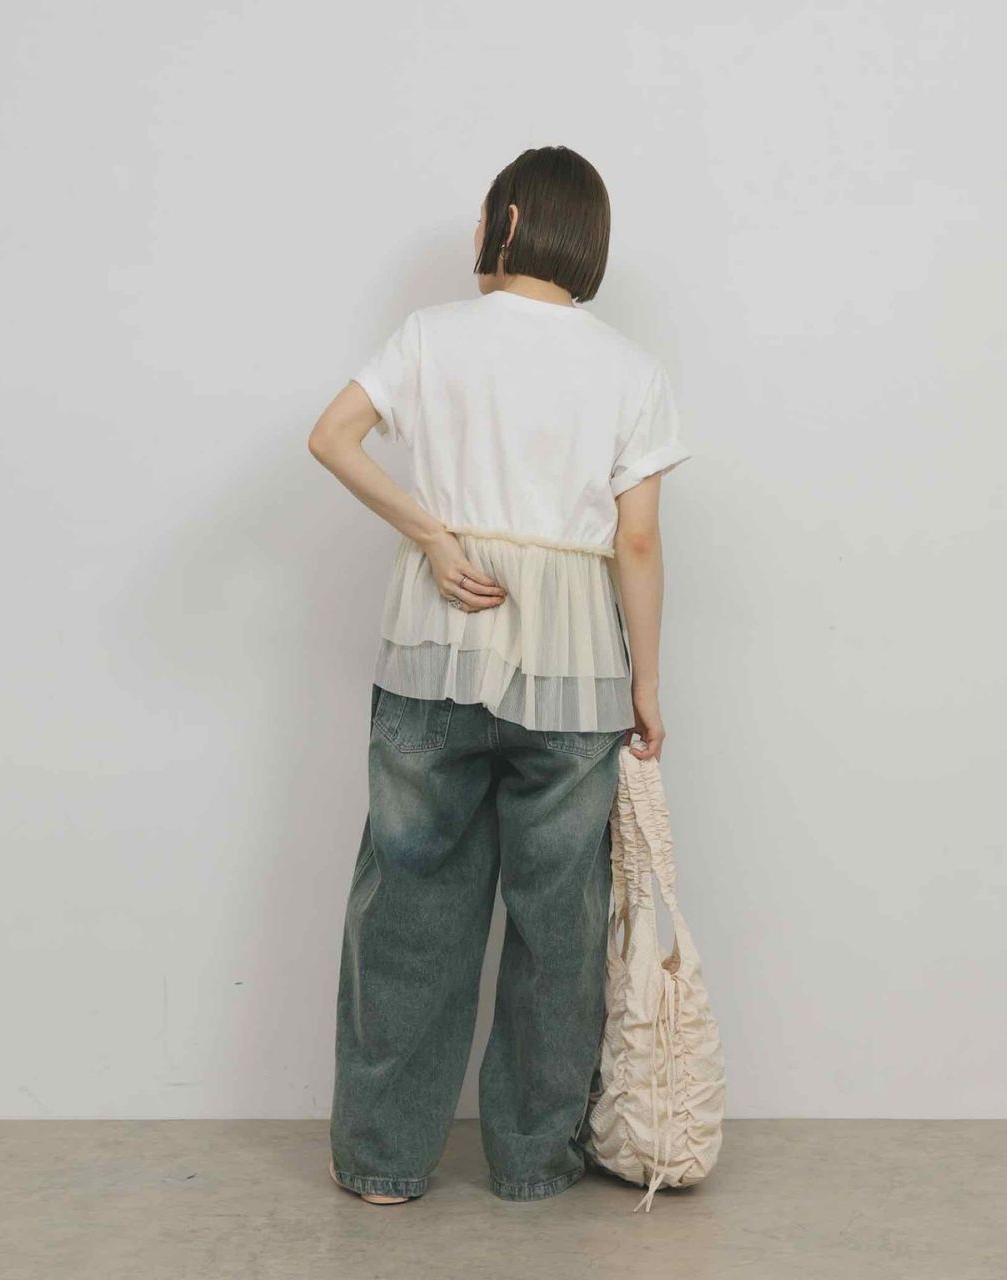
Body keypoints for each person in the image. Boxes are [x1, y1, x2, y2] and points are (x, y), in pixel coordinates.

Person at [307, 145, 692, 1206]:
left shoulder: (431, 336)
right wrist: (645, 680)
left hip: (439, 638)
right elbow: (638, 541)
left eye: (484, 215)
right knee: (558, 919)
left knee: (408, 904)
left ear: (509, 221)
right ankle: (532, 1160)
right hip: (577, 666)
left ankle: (384, 1161)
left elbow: (332, 438)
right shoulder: (630, 370)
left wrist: (433, 535)